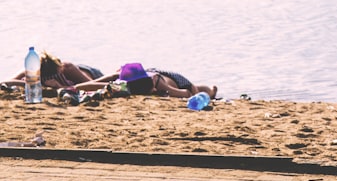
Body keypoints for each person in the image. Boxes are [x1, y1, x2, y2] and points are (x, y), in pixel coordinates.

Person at [69, 62, 217, 99]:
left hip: (173, 78)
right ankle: (209, 90)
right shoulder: (125, 85)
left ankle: (210, 91)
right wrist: (76, 87)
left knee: (196, 88)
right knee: (112, 77)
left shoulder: (158, 81)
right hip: (135, 75)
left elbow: (186, 92)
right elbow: (94, 85)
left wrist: (165, 92)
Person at [2, 51, 103, 94]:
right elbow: (8, 82)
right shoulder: (32, 72)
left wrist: (59, 86)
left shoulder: (67, 68)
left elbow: (92, 84)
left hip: (92, 73)